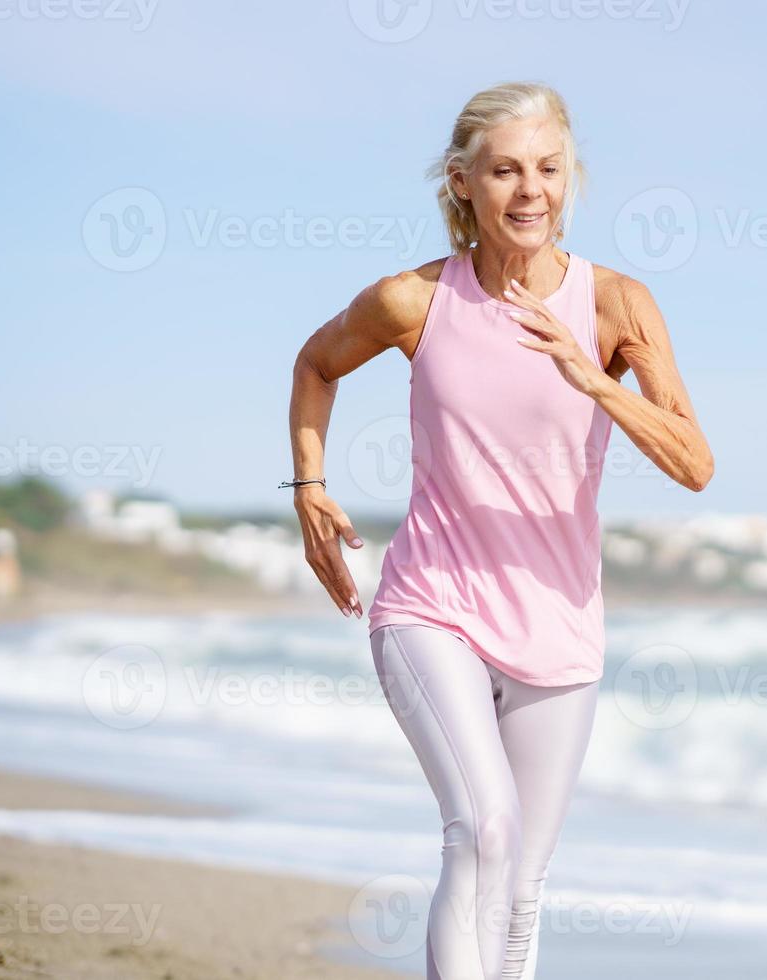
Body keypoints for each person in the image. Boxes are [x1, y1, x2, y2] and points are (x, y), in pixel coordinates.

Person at [285, 81, 713, 979]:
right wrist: (309, 487)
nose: (531, 190)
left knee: (521, 886)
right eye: (506, 170)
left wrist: (595, 381)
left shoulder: (615, 306)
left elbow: (694, 463)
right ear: (462, 183)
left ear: (571, 179)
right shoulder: (415, 302)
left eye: (549, 169)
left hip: (559, 622)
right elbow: (317, 362)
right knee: (483, 830)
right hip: (431, 604)